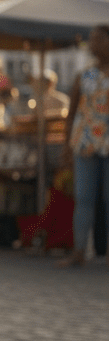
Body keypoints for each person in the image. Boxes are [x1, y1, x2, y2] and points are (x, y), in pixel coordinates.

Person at [63, 24, 109, 266]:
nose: (92, 44)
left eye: (98, 39)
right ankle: (79, 251)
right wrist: (65, 146)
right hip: (85, 143)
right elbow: (71, 113)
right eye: (91, 40)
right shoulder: (84, 76)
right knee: (83, 198)